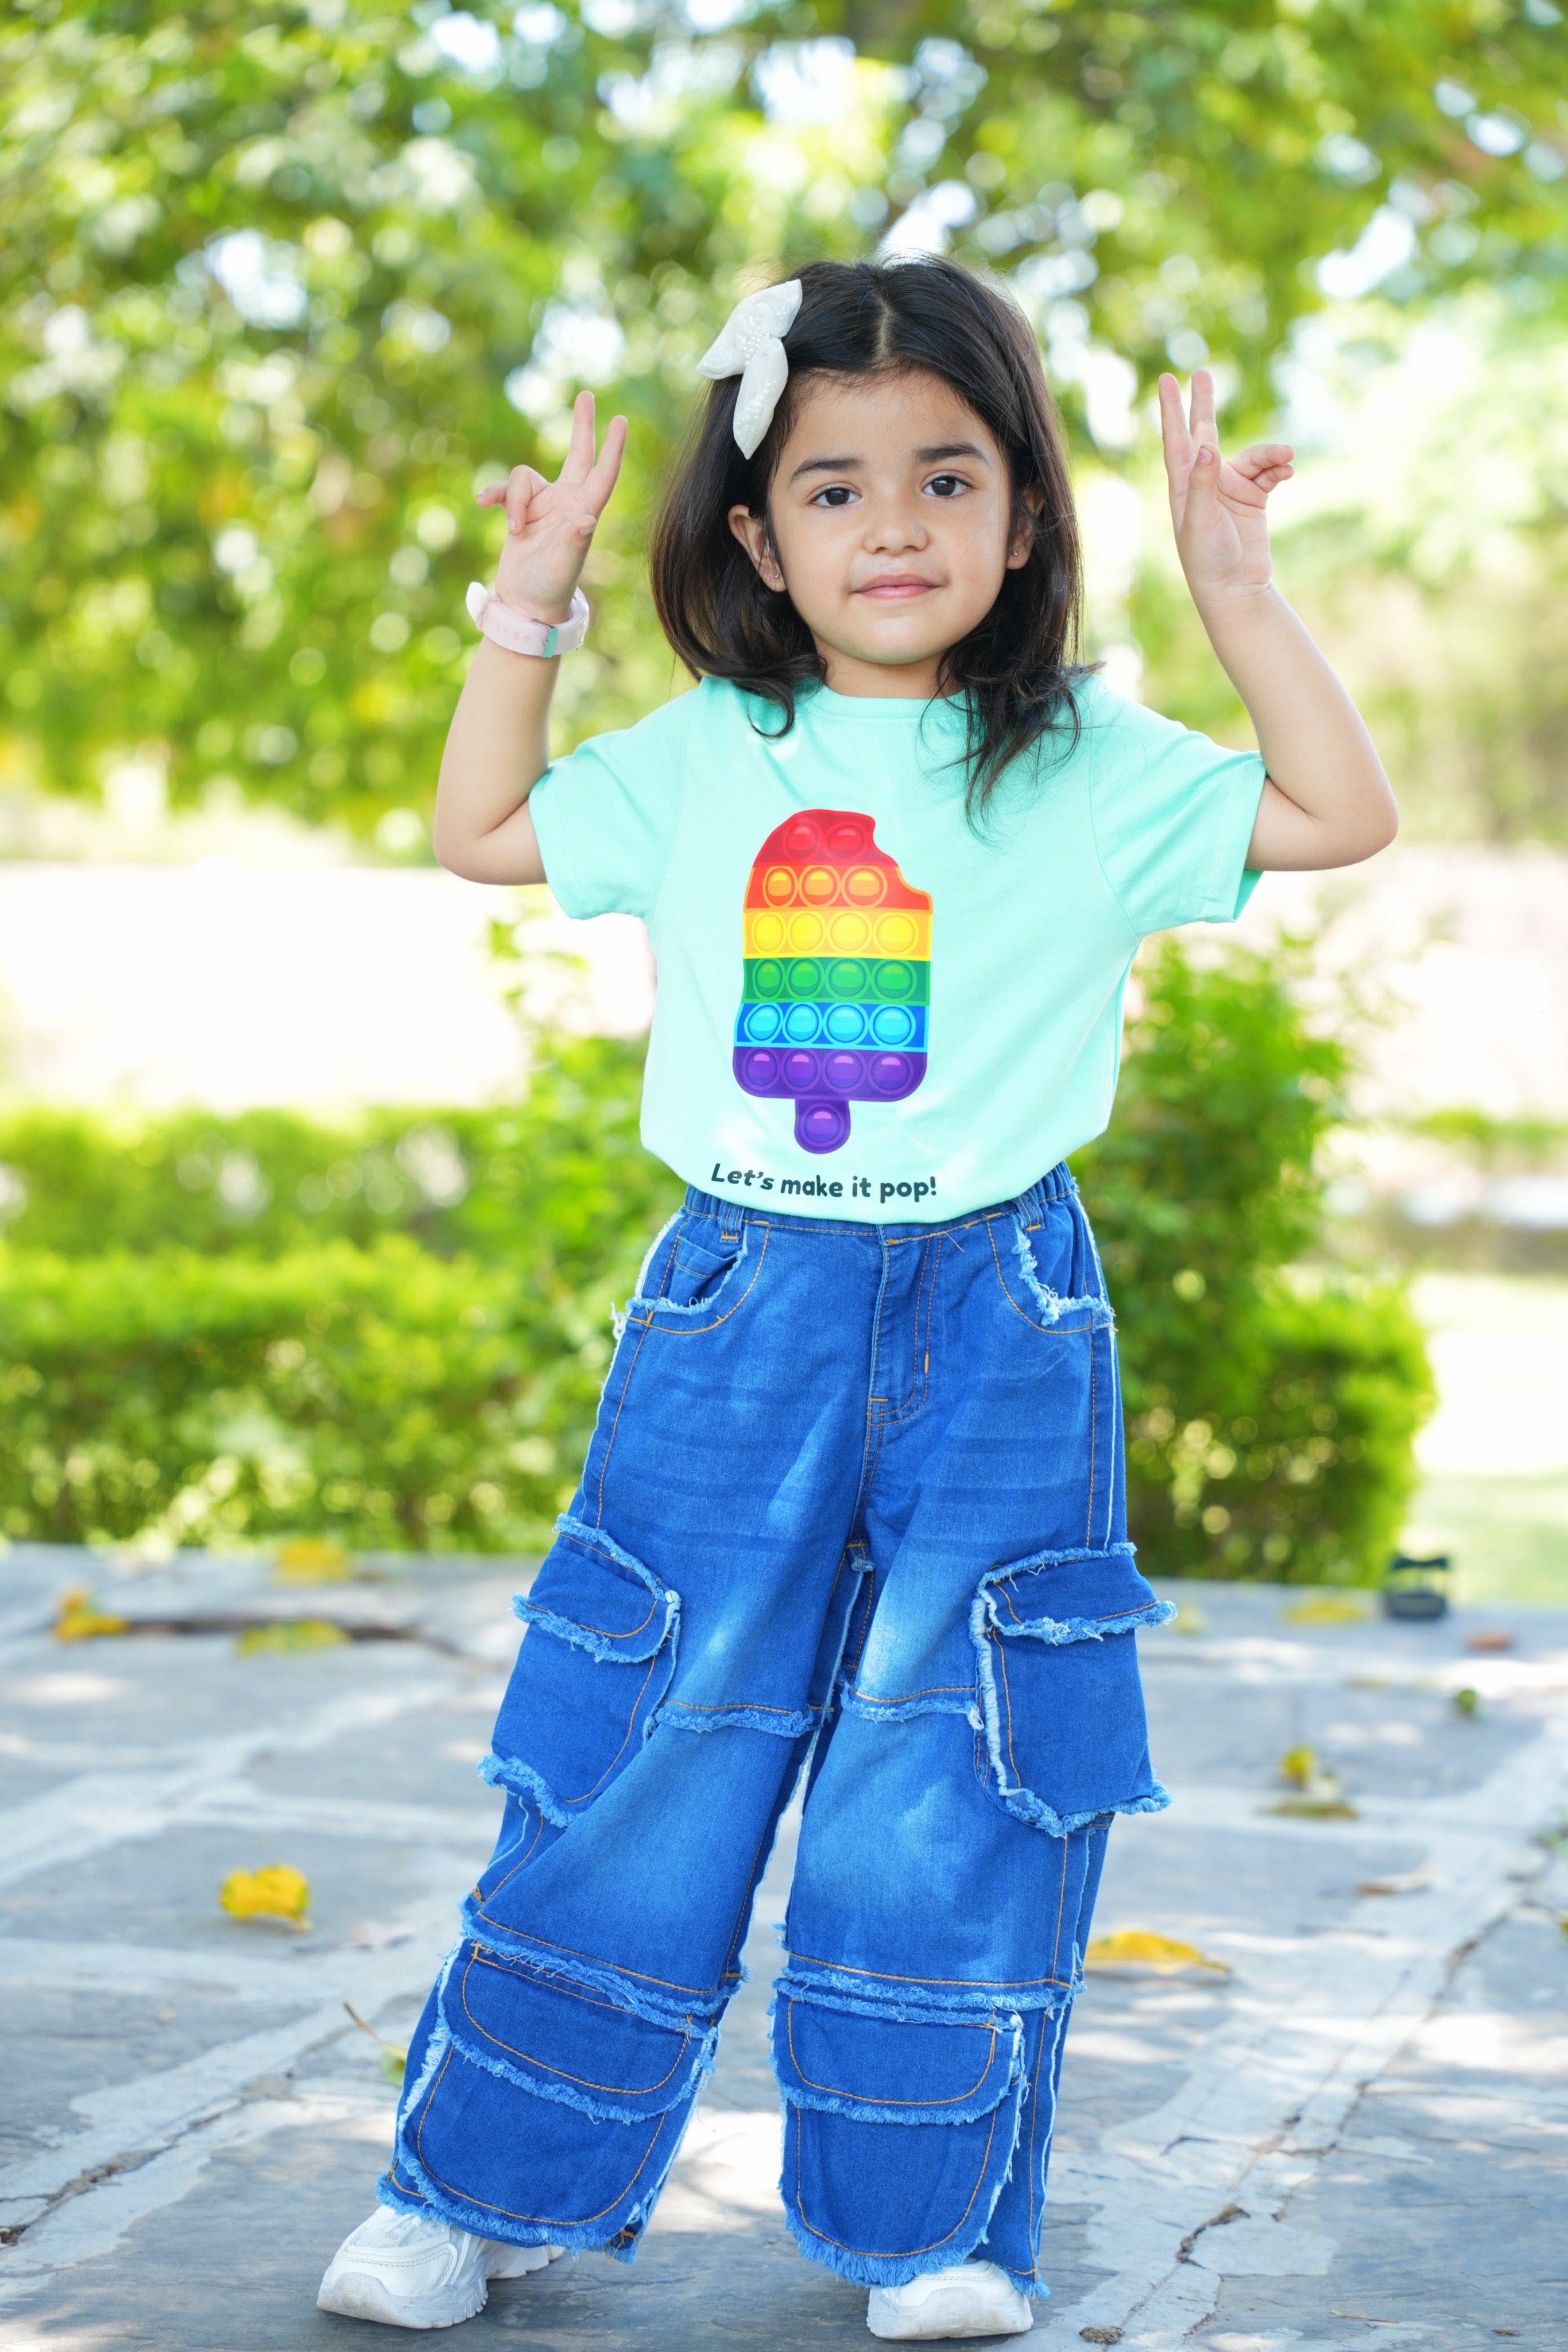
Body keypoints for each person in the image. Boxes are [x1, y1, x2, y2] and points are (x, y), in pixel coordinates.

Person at [318, 256, 1395, 2338]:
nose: (891, 525)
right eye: (832, 488)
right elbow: (480, 829)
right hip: (742, 1313)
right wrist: (526, 609)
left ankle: (933, 2228)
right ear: (755, 536)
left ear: (1023, 518)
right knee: (642, 1739)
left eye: (945, 477)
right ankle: (481, 2188)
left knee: (961, 1757)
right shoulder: (711, 753)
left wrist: (1238, 593)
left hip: (1005, 1319)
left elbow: (1339, 812)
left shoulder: (1079, 758)